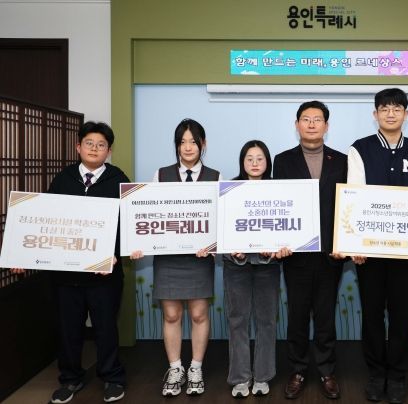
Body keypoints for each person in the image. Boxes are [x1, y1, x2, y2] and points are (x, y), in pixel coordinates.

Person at [11, 121, 129, 403]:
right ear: (78, 147)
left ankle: (112, 378)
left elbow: (128, 224)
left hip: (104, 275)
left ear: (109, 151)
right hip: (66, 276)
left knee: (105, 328)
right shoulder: (62, 179)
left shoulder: (119, 180)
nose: (94, 149)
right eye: (89, 143)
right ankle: (70, 379)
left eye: (101, 145)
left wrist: (114, 253)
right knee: (68, 330)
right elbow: (44, 221)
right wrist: (21, 255)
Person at [347, 88, 408, 403]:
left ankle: (397, 375)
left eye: (396, 108)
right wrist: (355, 245)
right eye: (384, 108)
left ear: (406, 114)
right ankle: (376, 374)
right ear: (375, 114)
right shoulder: (359, 149)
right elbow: (354, 196)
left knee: (400, 315)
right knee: (372, 314)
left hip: (406, 253)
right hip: (369, 252)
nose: (390, 113)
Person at [130, 118, 219, 397]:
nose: (188, 147)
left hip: (199, 259)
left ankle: (196, 368)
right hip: (168, 258)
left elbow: (220, 220)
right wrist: (138, 243)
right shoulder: (161, 174)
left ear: (203, 144)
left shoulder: (216, 177)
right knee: (171, 315)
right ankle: (175, 368)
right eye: (182, 142)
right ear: (177, 146)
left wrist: (213, 245)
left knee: (199, 314)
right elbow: (149, 213)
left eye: (193, 141)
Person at [273, 100, 347, 400]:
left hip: (331, 253)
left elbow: (349, 205)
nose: (312, 124)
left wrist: (344, 244)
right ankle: (298, 370)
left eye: (318, 119)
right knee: (298, 316)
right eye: (306, 119)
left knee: (326, 315)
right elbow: (278, 202)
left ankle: (327, 371)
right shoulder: (282, 160)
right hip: (296, 255)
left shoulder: (342, 160)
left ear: (326, 126)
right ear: (297, 124)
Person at [222, 140, 282, 398]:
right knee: (238, 321)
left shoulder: (279, 190)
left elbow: (285, 226)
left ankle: (263, 376)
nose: (255, 163)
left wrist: (278, 247)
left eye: (260, 158)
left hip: (268, 266)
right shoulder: (229, 190)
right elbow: (222, 227)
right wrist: (231, 249)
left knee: (267, 322)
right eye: (249, 158)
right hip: (236, 266)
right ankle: (240, 378)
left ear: (267, 162)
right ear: (242, 162)